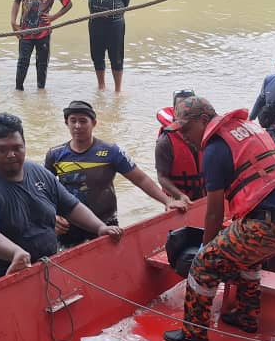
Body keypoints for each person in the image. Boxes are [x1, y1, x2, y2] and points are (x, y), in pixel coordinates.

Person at [161, 97, 275, 341]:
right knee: (247, 257)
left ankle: (194, 332)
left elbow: (214, 213)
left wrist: (205, 252)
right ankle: (246, 316)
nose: (184, 137)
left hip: (269, 224)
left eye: (186, 129)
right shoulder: (245, 129)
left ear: (204, 121)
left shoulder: (215, 149)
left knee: (203, 264)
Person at [0, 113, 122, 287]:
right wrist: (15, 253)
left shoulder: (37, 172)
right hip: (1, 276)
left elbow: (71, 206)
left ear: (25, 145)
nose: (11, 155)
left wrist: (100, 227)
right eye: (2, 149)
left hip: (45, 265)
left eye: (17, 147)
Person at [44, 100, 187, 248]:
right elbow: (43, 190)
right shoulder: (55, 155)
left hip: (106, 223)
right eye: (73, 121)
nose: (77, 126)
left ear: (94, 123)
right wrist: (52, 216)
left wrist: (168, 201)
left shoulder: (111, 152)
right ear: (66, 123)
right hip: (68, 226)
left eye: (83, 121)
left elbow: (141, 179)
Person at [11, 0, 72, 91]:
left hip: (43, 33)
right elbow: (16, 1)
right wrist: (13, 23)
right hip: (25, 32)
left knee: (42, 65)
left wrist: (53, 17)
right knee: (22, 63)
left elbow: (68, 4)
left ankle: (41, 93)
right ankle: (18, 92)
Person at [156, 90, 205, 203]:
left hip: (206, 198)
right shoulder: (164, 142)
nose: (185, 111)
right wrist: (180, 196)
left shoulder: (206, 134)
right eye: (181, 107)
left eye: (189, 107)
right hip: (178, 202)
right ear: (174, 111)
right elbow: (162, 177)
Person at [82, 0, 131, 92]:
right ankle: (101, 87)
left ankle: (117, 90)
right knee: (97, 55)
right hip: (95, 21)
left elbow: (126, 0)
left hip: (115, 22)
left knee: (116, 57)